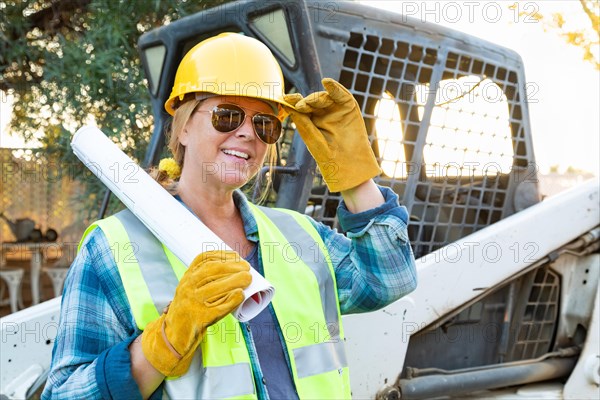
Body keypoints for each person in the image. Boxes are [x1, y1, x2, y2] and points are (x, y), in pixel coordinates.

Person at [42, 32, 417, 400]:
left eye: (264, 124)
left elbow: (389, 280)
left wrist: (354, 178)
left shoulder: (298, 235)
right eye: (227, 115)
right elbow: (64, 395)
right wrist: (162, 344)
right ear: (184, 125)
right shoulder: (112, 249)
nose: (247, 134)